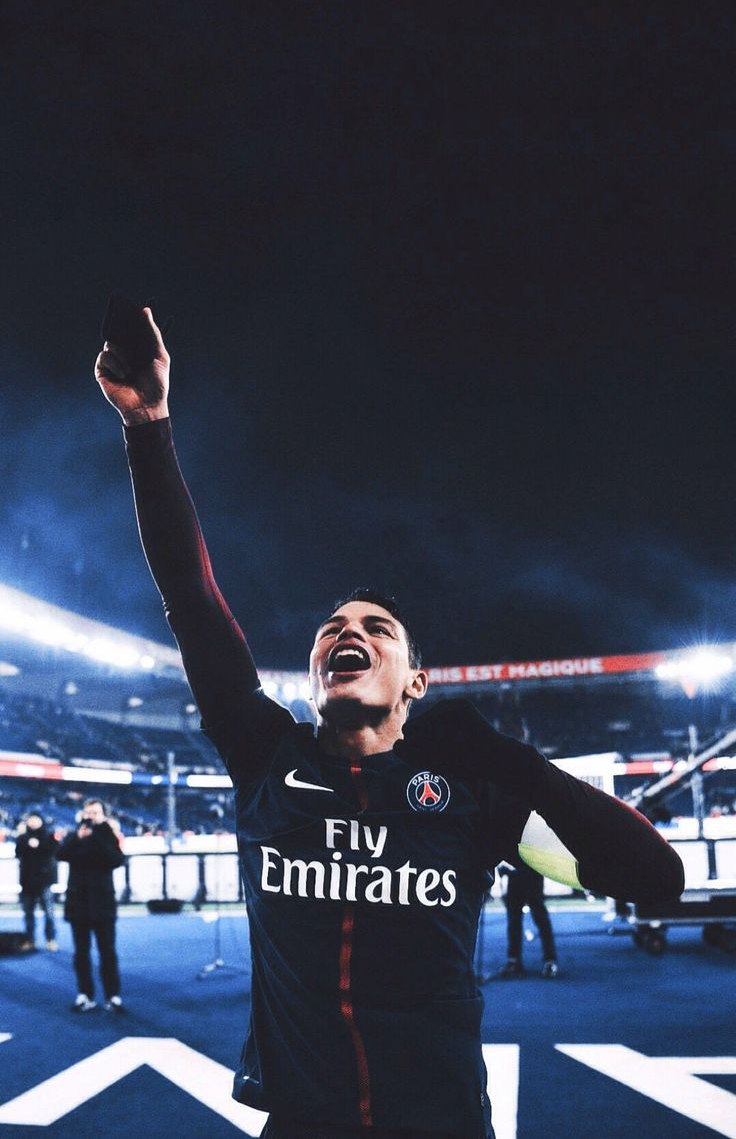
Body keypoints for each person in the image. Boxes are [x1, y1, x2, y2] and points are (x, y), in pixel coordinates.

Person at [95, 308, 685, 1139]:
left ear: (417, 681)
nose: (350, 633)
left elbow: (657, 881)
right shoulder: (265, 755)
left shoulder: (479, 795)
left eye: (379, 629)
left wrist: (513, 762)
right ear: (313, 672)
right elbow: (193, 603)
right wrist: (149, 427)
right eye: (333, 626)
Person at [57, 798, 126, 1012]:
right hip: (78, 903)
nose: (91, 816)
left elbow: (116, 860)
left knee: (107, 952)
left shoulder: (106, 834)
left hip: (103, 903)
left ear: (103, 815)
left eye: (95, 812)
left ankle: (112, 995)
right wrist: (78, 838)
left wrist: (96, 835)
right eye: (88, 812)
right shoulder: (75, 833)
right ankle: (84, 993)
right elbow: (60, 854)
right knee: (81, 953)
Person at [494, 856, 558, 978]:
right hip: (515, 875)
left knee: (540, 918)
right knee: (514, 920)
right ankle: (514, 960)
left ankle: (550, 960)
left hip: (532, 872)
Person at [15, 808, 59, 952]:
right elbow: (18, 853)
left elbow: (55, 852)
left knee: (49, 913)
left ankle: (50, 939)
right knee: (28, 913)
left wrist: (39, 845)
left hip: (44, 882)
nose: (33, 822)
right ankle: (30, 940)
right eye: (31, 819)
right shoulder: (22, 837)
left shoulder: (49, 836)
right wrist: (25, 839)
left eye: (36, 819)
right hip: (27, 882)